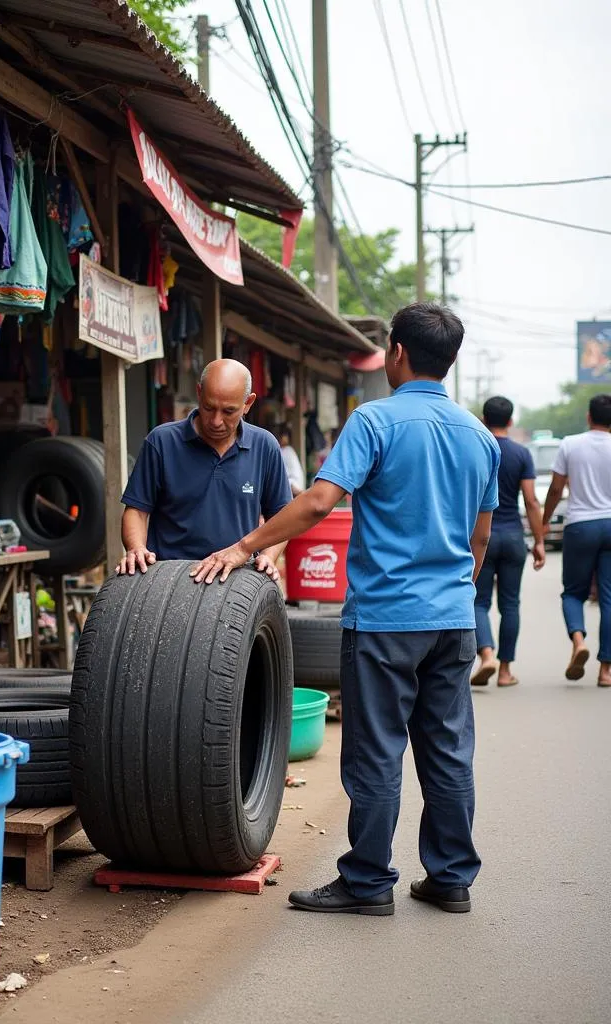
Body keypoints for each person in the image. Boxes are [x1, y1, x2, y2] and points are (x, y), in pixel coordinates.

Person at [192, 303, 499, 917]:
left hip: (386, 618)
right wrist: (456, 591)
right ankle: (451, 879)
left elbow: (317, 503)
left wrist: (246, 545)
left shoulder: (375, 422)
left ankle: (367, 883)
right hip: (453, 618)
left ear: (398, 352)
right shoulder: (479, 436)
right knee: (447, 751)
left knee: (377, 753)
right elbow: (480, 536)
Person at [116, 358, 292, 579]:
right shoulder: (162, 441)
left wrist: (268, 555)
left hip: (237, 579)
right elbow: (137, 510)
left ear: (248, 403)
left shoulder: (264, 446)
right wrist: (136, 549)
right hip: (168, 578)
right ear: (199, 393)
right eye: (209, 408)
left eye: (228, 411)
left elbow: (281, 517)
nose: (216, 421)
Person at [471, 396, 546, 688]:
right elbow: (530, 500)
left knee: (478, 601)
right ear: (511, 421)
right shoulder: (521, 454)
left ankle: (486, 654)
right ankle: (504, 671)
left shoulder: (478, 449)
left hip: (481, 535)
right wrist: (539, 540)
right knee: (510, 604)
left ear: (483, 419)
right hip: (514, 536)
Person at [542, 394, 611, 686]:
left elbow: (556, 489)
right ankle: (606, 670)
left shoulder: (570, 444)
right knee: (609, 598)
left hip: (580, 525)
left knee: (573, 592)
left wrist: (543, 523)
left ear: (588, 416)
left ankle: (579, 641)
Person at [277, 425, 306, 496]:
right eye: (282, 436)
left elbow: (294, 474)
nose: (283, 439)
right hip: (289, 484)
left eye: (285, 437)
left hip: (293, 485)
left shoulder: (288, 451)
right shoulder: (282, 450)